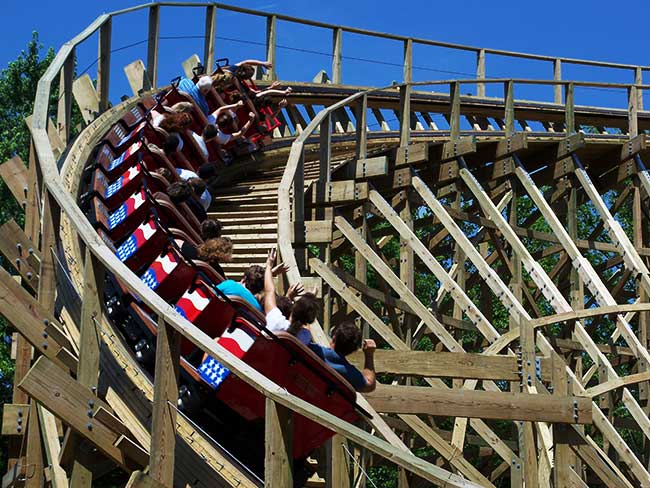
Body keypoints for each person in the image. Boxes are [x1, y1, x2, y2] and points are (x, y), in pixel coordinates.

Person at [262, 248, 318, 335]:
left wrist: (269, 266)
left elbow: (269, 291)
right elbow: (304, 316)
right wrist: (310, 299)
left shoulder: (276, 323)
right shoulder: (305, 336)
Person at [308, 322, 377, 393]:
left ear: (334, 338)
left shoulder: (314, 350)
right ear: (354, 350)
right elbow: (369, 385)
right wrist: (369, 354)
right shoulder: (349, 372)